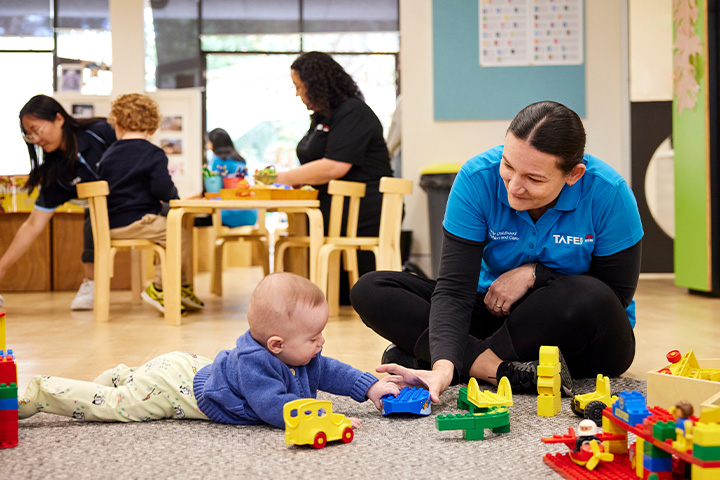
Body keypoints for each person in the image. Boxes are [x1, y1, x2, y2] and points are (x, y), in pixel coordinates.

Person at [351, 101, 643, 404]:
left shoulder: (609, 192)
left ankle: (452, 360)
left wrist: (535, 275)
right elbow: (454, 289)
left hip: (582, 337)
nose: (514, 187)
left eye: (534, 178)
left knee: (589, 294)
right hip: (498, 314)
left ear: (574, 175)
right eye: (508, 166)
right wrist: (442, 363)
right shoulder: (477, 178)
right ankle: (496, 369)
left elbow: (615, 295)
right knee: (371, 289)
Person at [18, 272, 402, 429]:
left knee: (125, 387)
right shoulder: (257, 366)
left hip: (190, 368)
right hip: (173, 388)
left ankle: (123, 373)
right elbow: (273, 408)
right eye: (315, 337)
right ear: (276, 345)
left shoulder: (299, 355)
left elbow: (331, 371)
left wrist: (368, 387)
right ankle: (42, 391)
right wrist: (321, 419)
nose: (322, 343)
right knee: (118, 408)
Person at [275, 51, 395, 301]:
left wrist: (283, 177)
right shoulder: (322, 117)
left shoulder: (354, 113)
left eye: (300, 87)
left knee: (348, 294)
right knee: (289, 234)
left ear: (317, 84)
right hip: (331, 207)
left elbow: (333, 167)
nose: (298, 94)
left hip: (362, 210)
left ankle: (302, 298)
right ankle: (289, 299)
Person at [0, 94, 116, 310]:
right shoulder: (57, 174)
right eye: (29, 135)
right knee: (95, 208)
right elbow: (33, 224)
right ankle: (91, 284)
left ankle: (169, 285)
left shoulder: (99, 131)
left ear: (59, 119)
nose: (36, 139)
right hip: (103, 213)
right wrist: (2, 267)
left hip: (137, 202)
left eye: (37, 129)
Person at [97, 93, 203, 315]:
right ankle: (161, 288)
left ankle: (178, 287)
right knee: (179, 234)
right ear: (153, 127)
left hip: (111, 224)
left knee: (171, 231)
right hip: (137, 221)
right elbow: (163, 190)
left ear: (117, 123)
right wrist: (174, 195)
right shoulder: (153, 153)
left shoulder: (108, 154)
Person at [206, 127, 257, 228]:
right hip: (251, 213)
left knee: (196, 220)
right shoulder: (240, 160)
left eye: (208, 141)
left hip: (231, 213)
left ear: (214, 143)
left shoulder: (218, 161)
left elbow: (215, 190)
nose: (207, 145)